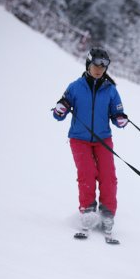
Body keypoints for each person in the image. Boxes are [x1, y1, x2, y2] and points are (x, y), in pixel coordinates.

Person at [52, 47, 129, 234]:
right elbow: (60, 112)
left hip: (103, 139)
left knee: (108, 175)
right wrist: (60, 109)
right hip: (79, 139)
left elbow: (117, 114)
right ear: (88, 64)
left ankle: (107, 212)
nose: (99, 70)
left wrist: (120, 119)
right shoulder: (75, 87)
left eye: (103, 67)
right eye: (96, 65)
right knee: (87, 173)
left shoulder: (110, 90)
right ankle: (87, 209)